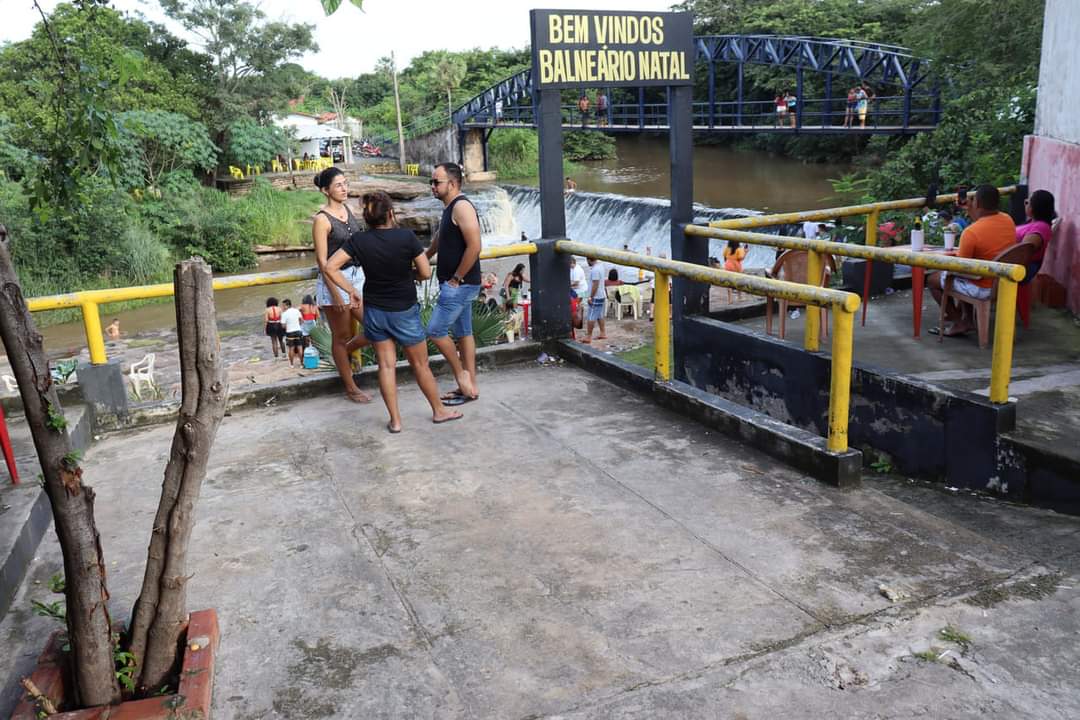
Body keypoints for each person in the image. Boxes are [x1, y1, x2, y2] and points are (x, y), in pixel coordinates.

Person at [324, 191, 463, 432]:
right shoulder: (406, 237)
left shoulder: (359, 240)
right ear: (390, 213)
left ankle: (396, 421)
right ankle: (439, 411)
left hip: (376, 311)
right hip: (404, 310)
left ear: (367, 219)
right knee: (420, 364)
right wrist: (413, 276)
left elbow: (330, 267)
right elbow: (425, 272)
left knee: (386, 366)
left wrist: (351, 291)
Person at [312, 167, 372, 402]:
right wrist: (336, 294)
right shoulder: (321, 219)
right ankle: (351, 388)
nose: (344, 188)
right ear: (325, 190)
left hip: (358, 278)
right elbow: (322, 261)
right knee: (342, 336)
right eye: (338, 185)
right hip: (334, 282)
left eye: (345, 183)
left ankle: (341, 355)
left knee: (376, 326)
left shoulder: (348, 210)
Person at [427, 161, 482, 405]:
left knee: (435, 331)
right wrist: (425, 255)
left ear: (452, 183)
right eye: (432, 182)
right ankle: (470, 386)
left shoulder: (461, 207)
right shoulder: (449, 207)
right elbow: (442, 236)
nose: (432, 186)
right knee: (464, 333)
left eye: (436, 182)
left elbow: (475, 246)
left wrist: (457, 279)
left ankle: (463, 379)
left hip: (460, 284)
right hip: (457, 283)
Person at [928, 185, 1016, 337]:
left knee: (933, 279)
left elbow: (960, 267)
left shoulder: (971, 233)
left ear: (978, 204)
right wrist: (969, 209)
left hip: (982, 288)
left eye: (973, 200)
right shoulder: (1008, 220)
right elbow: (985, 224)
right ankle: (968, 319)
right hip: (1003, 283)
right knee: (967, 273)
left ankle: (958, 322)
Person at [1016, 189, 1056, 281]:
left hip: (1016, 269)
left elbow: (1022, 253)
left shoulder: (1040, 228)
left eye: (1027, 202)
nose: (1025, 204)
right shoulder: (1033, 223)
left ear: (1034, 207)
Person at [581, 257, 607, 344]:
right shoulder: (601, 266)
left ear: (589, 260)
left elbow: (595, 284)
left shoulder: (595, 270)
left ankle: (588, 336)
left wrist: (590, 297)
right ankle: (603, 332)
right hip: (602, 294)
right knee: (599, 315)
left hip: (596, 296)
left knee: (591, 316)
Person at [281, 299, 304, 367]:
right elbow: (301, 320)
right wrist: (298, 325)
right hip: (298, 331)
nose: (282, 307)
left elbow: (283, 325)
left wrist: (288, 327)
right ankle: (301, 364)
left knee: (291, 348)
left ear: (287, 305)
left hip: (290, 332)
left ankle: (291, 364)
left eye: (283, 305)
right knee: (300, 347)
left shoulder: (284, 314)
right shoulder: (296, 311)